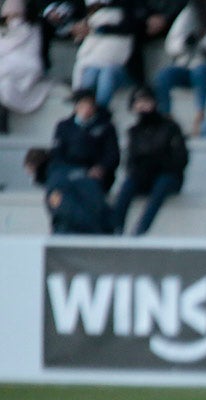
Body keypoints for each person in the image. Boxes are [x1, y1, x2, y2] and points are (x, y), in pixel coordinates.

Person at [112, 86, 187, 235]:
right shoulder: (134, 131)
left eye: (146, 101)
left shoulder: (170, 127)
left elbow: (180, 158)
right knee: (126, 187)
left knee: (160, 187)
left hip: (168, 175)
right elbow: (131, 161)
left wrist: (157, 164)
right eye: (138, 102)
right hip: (144, 176)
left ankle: (140, 230)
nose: (143, 106)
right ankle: (115, 228)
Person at [154, 0, 206, 137]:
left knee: (201, 71)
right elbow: (172, 44)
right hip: (189, 65)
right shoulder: (190, 13)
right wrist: (186, 43)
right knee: (164, 75)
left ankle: (200, 115)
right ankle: (166, 117)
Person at [24, 146, 114, 234]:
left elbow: (67, 212)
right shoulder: (78, 171)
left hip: (78, 237)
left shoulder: (55, 183)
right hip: (103, 230)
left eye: (32, 173)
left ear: (37, 168)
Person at [70, 0, 138, 108]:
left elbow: (131, 27)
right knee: (90, 73)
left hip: (124, 71)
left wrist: (100, 29)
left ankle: (101, 111)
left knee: (107, 72)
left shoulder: (124, 15)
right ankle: (81, 108)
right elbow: (84, 52)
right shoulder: (91, 24)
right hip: (96, 65)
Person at [50, 88, 119, 193]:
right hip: (69, 170)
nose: (86, 109)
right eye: (82, 105)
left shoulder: (106, 127)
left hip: (95, 173)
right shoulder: (64, 126)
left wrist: (101, 168)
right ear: (76, 106)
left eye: (89, 104)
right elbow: (57, 153)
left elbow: (112, 154)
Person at [0, 0, 52, 133]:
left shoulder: (32, 29)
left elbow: (9, 47)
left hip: (26, 66)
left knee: (6, 84)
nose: (12, 18)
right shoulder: (5, 31)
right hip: (10, 66)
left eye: (15, 15)